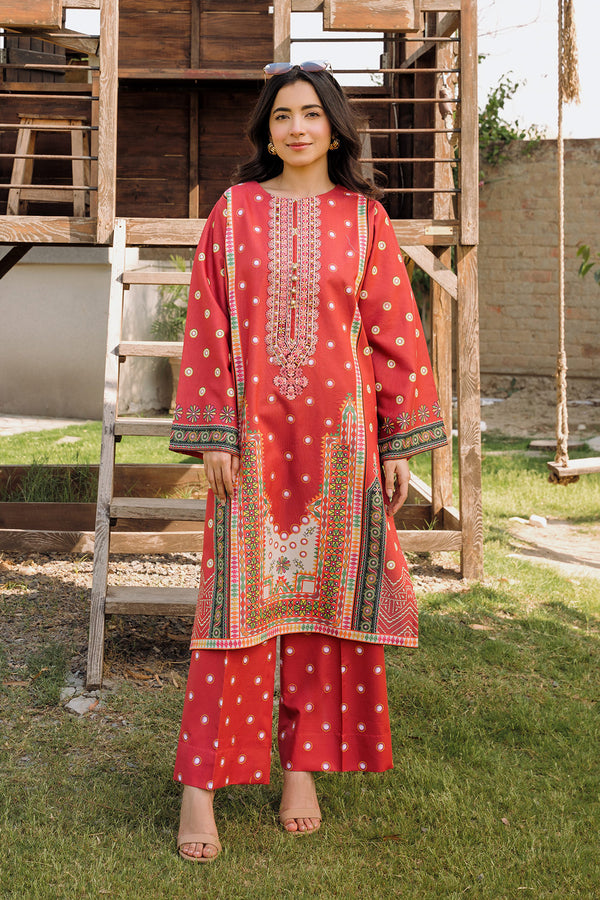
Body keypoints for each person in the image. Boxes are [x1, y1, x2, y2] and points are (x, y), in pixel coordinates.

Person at [168, 60, 447, 862]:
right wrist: (214, 433)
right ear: (267, 130)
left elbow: (395, 336)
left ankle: (303, 769)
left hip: (340, 444)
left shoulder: (365, 219)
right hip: (252, 444)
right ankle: (200, 785)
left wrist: (397, 442)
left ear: (334, 129)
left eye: (311, 114)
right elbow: (206, 326)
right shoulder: (233, 211)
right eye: (283, 115)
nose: (296, 128)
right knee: (233, 613)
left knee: (324, 607)